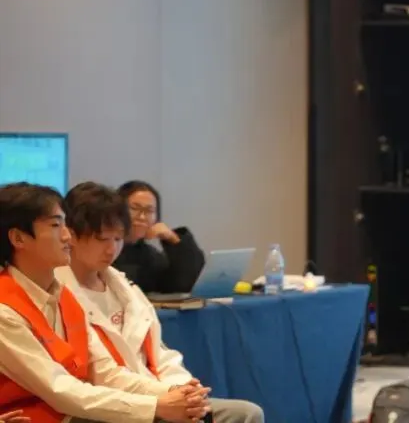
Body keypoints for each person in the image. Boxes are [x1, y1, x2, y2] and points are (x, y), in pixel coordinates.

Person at [0, 182, 211, 423]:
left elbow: (104, 371)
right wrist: (156, 406)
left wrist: (176, 392)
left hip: (85, 410)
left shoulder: (63, 295)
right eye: (56, 225)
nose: (67, 236)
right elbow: (60, 389)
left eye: (118, 238)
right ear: (18, 238)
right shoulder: (6, 310)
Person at [57, 181, 266, 423]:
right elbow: (104, 375)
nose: (111, 249)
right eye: (102, 238)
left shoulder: (124, 287)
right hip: (115, 404)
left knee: (247, 414)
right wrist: (168, 395)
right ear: (71, 235)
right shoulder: (59, 294)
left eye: (118, 238)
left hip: (157, 393)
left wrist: (183, 388)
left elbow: (161, 353)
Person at [113, 180, 205, 294]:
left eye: (149, 211)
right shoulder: (105, 250)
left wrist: (173, 239)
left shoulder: (150, 256)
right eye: (134, 208)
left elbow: (183, 285)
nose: (142, 217)